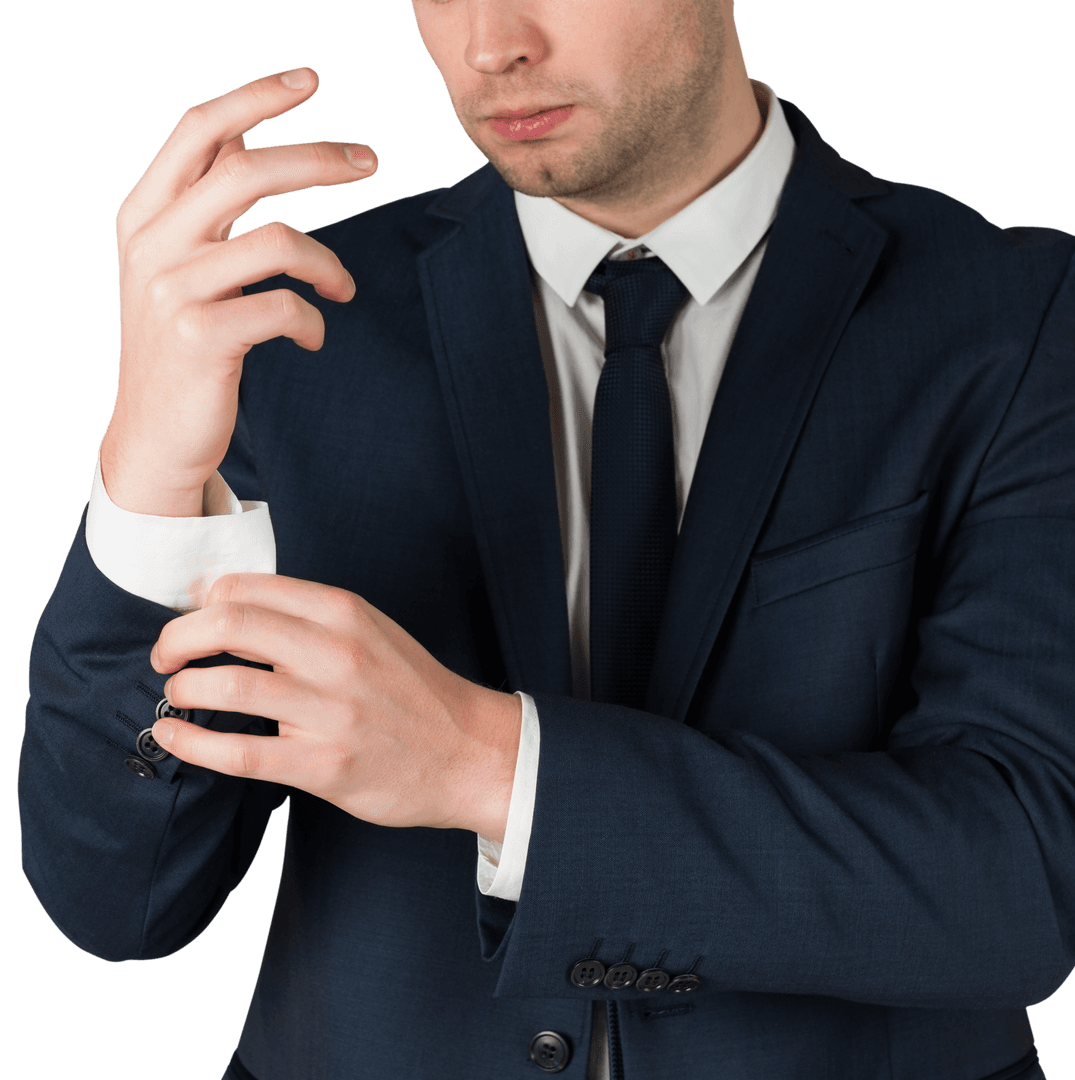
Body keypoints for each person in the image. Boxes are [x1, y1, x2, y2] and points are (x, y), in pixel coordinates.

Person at [18, 0, 1075, 1077]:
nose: (493, 46)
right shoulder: (289, 321)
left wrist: (487, 765)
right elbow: (121, 902)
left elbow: (1026, 880)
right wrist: (149, 482)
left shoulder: (1019, 317)